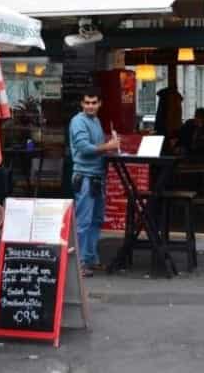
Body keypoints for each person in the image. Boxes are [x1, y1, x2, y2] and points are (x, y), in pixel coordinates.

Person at [69, 88, 120, 277]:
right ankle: (79, 263)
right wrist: (109, 146)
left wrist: (109, 143)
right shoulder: (78, 121)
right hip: (84, 177)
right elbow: (83, 148)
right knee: (83, 221)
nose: (90, 106)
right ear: (82, 104)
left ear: (100, 104)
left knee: (96, 220)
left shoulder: (96, 121)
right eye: (87, 103)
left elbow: (96, 146)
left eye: (94, 103)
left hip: (96, 176)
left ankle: (90, 258)